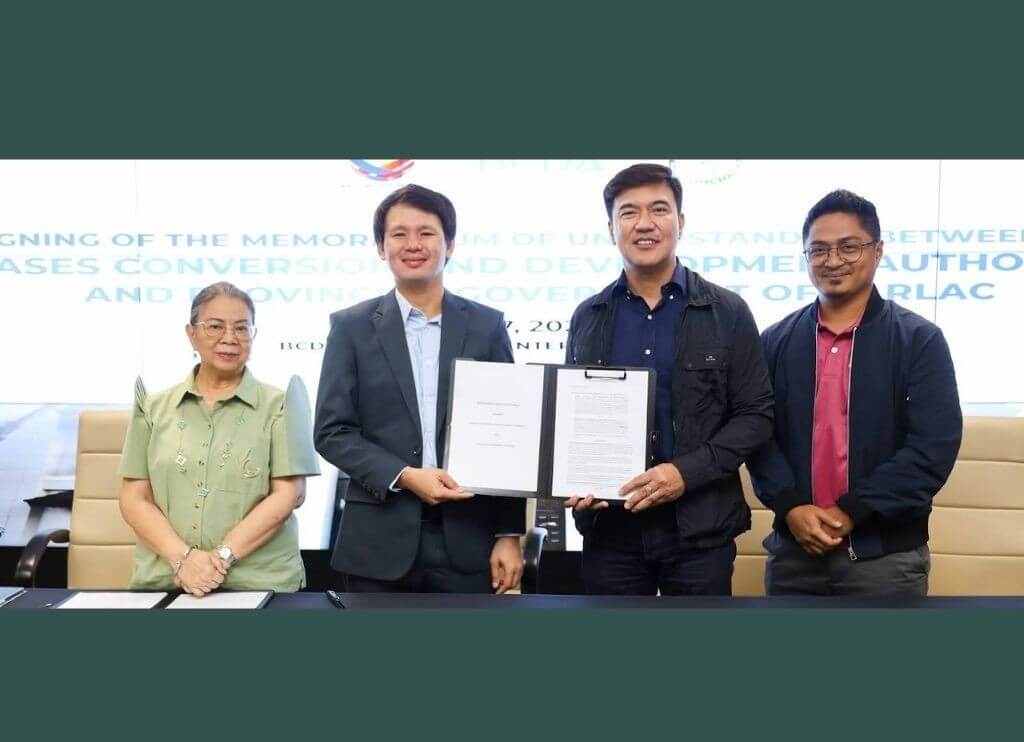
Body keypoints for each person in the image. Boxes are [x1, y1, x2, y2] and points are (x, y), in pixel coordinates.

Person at [564, 163, 774, 595]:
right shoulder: (589, 316)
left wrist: (685, 473)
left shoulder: (727, 311)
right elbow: (574, 417)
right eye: (628, 212)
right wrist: (572, 477)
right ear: (610, 228)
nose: (644, 223)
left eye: (659, 210)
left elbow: (756, 414)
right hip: (611, 530)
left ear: (679, 222)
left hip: (700, 529)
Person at [748, 190, 962, 595]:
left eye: (849, 247)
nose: (833, 261)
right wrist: (790, 507)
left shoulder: (919, 340)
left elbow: (933, 447)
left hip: (886, 560)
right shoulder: (774, 341)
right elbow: (758, 436)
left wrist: (852, 511)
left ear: (877, 250)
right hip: (795, 554)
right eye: (819, 250)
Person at [314, 184, 525, 593]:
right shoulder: (350, 328)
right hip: (377, 543)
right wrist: (406, 476)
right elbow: (331, 432)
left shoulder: (486, 326)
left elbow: (509, 434)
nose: (413, 244)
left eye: (427, 233)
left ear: (449, 246)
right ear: (381, 247)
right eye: (399, 234)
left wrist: (508, 533)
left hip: (468, 540)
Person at [118, 281, 320, 595]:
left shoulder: (281, 405)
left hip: (258, 583)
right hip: (166, 580)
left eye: (242, 328)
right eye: (215, 326)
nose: (229, 338)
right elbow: (134, 499)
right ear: (191, 333)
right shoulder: (153, 408)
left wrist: (218, 559)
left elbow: (289, 495)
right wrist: (183, 559)